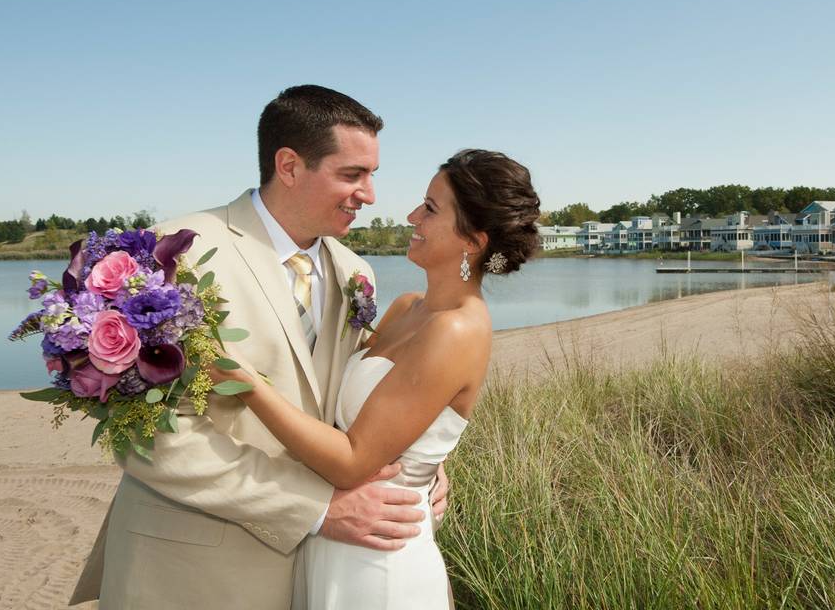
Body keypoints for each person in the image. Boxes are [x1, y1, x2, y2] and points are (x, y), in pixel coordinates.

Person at [70, 85, 448, 609]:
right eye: (352, 174)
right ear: (289, 165)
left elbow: (355, 396)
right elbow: (147, 437)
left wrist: (416, 465)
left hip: (319, 577)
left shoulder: (356, 273)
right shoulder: (172, 254)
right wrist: (316, 508)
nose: (369, 195)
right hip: (187, 574)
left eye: (372, 175)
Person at [210, 149, 541, 609]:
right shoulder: (408, 307)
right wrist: (429, 463)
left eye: (430, 208)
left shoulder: (459, 329)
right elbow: (376, 414)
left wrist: (241, 379)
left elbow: (353, 462)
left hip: (380, 557)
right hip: (336, 537)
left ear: (473, 241)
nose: (411, 216)